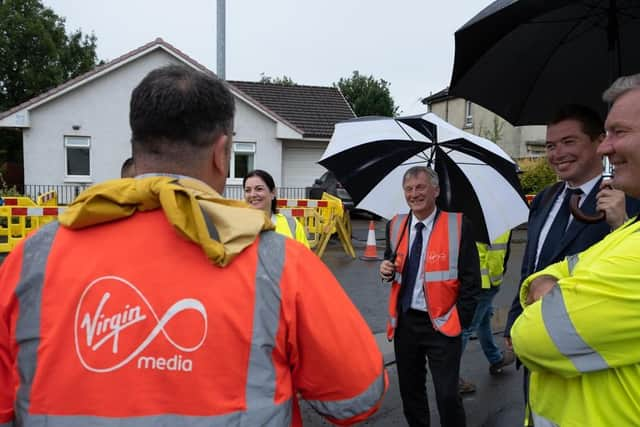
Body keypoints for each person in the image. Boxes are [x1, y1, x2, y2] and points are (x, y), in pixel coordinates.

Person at [0, 65, 387, 427]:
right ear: (221, 154)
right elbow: (356, 396)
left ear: (137, 147)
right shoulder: (277, 262)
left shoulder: (32, 258)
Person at [511, 74, 640, 426]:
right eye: (550, 145)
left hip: (589, 363)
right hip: (534, 347)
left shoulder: (628, 199)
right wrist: (513, 323)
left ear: (597, 142)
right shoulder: (546, 199)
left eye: (568, 142)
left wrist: (619, 222)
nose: (556, 154)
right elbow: (531, 265)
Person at [379, 166, 480, 427]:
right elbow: (392, 264)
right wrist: (386, 269)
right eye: (409, 189)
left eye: (421, 187)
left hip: (443, 324)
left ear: (435, 190)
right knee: (410, 394)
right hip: (406, 324)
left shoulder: (459, 225)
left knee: (447, 396)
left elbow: (471, 281)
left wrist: (460, 320)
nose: (415, 194)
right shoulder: (396, 225)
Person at [458, 230, 514, 394]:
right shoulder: (498, 224)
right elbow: (496, 257)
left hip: (469, 279)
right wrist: (496, 281)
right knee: (468, 327)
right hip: (484, 283)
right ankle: (450, 375)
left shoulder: (469, 216)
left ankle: (496, 358)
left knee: (483, 320)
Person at [243, 169, 310, 248]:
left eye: (259, 189)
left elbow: (306, 258)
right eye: (247, 190)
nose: (252, 194)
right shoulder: (238, 227)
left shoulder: (292, 225)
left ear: (273, 193)